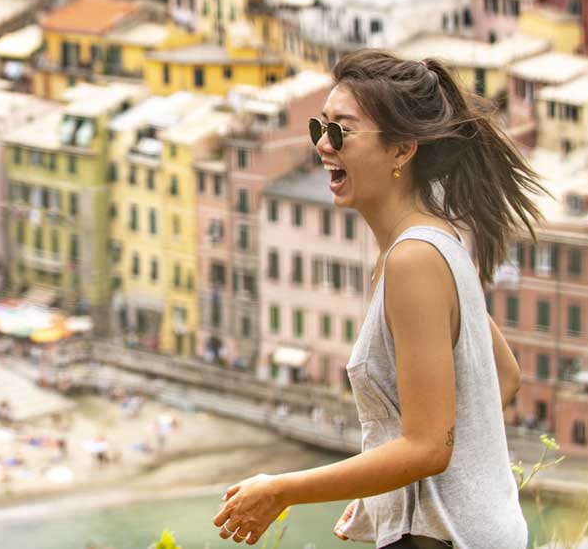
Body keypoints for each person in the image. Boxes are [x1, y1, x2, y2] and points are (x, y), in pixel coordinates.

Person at [213, 51, 538, 549]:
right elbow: (505, 377)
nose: (324, 145)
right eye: (319, 127)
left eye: (342, 130)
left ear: (402, 150)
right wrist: (382, 489)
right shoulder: (434, 243)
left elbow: (429, 447)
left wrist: (281, 490)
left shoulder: (414, 261)